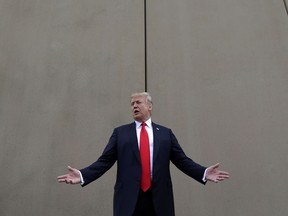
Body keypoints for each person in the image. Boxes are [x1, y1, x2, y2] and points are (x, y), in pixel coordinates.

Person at [57, 92, 229, 216]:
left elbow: (182, 161)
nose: (134, 106)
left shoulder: (165, 134)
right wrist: (82, 175)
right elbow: (104, 161)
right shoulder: (120, 133)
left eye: (138, 102)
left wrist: (204, 172)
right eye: (132, 104)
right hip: (129, 198)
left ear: (149, 106)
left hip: (159, 198)